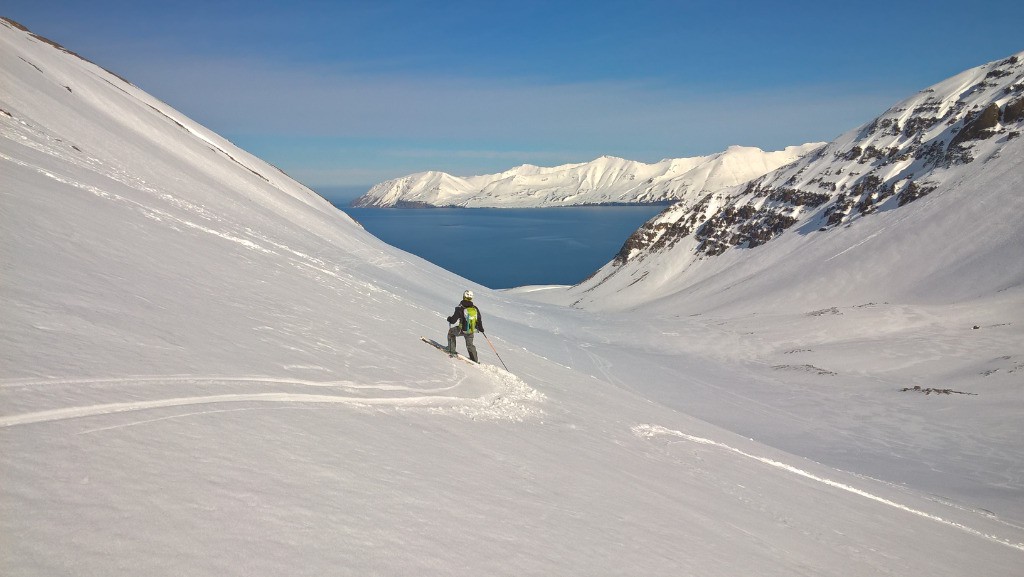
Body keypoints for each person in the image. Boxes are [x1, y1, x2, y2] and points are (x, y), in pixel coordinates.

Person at [447, 290, 484, 362]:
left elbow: (453, 320)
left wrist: (449, 319)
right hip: (471, 330)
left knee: (451, 332)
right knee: (470, 345)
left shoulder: (460, 308)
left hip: (461, 329)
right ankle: (474, 360)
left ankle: (452, 350)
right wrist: (481, 328)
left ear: (464, 296)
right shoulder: (475, 308)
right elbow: (479, 319)